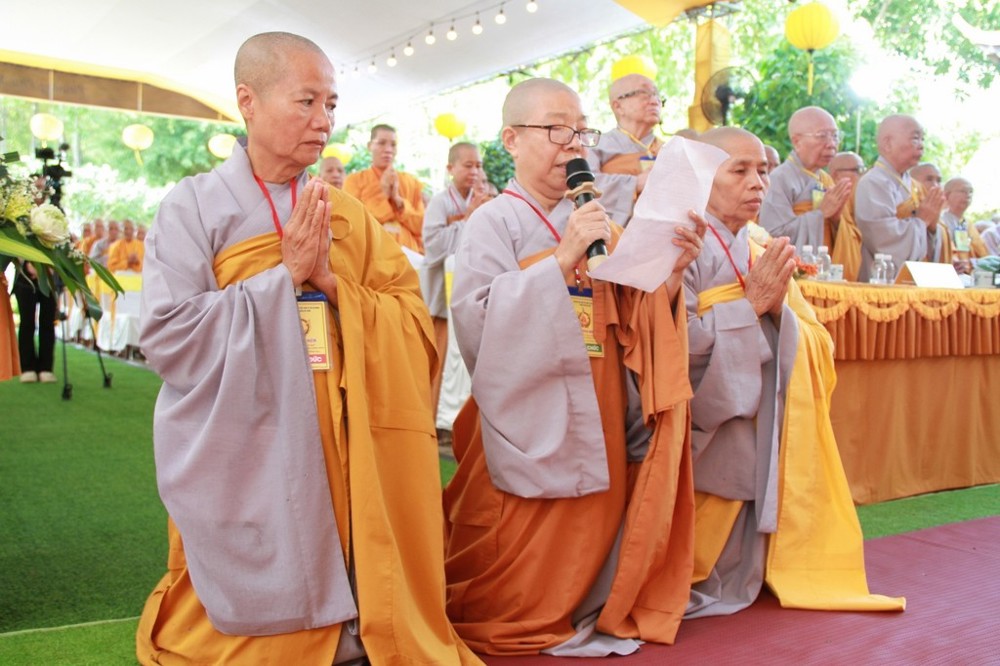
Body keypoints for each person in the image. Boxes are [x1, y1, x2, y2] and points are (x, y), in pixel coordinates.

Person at [135, 31, 480, 666]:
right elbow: (167, 334)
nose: (324, 121)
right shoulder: (193, 207)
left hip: (346, 420)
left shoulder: (346, 214)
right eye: (307, 101)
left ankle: (355, 624)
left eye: (331, 104)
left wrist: (333, 286)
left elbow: (410, 315)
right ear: (248, 101)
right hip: (251, 424)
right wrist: (283, 278)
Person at [445, 77, 702, 656]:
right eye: (556, 130)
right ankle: (520, 605)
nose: (573, 145)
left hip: (601, 397)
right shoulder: (493, 221)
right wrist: (561, 259)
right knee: (521, 537)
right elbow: (476, 323)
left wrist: (671, 275)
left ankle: (589, 600)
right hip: (531, 407)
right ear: (512, 139)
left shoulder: (597, 219)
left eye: (581, 132)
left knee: (595, 513)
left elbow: (635, 314)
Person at [683, 126, 905, 619]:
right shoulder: (682, 245)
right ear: (701, 175)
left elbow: (814, 337)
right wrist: (750, 309)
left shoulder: (758, 245)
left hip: (758, 399)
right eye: (739, 171)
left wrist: (776, 313)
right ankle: (698, 566)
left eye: (763, 170)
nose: (757, 182)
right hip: (709, 412)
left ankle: (752, 564)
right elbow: (674, 346)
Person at [420, 142, 490, 431]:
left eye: (478, 166)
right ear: (451, 168)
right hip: (442, 294)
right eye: (467, 165)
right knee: (440, 358)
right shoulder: (439, 202)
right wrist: (469, 219)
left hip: (471, 292)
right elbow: (433, 245)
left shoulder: (485, 197)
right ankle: (434, 423)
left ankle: (464, 422)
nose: (474, 171)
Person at [855, 115, 945, 282]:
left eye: (922, 139)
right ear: (888, 143)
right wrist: (922, 221)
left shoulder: (916, 187)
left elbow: (928, 235)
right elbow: (883, 241)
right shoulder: (873, 182)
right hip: (881, 282)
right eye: (915, 138)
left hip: (916, 282)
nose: (921, 145)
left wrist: (931, 228)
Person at [759, 106, 852, 251]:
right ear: (797, 142)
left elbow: (849, 239)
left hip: (825, 263)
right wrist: (820, 214)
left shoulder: (826, 180)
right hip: (797, 265)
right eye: (822, 136)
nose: (832, 144)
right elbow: (772, 236)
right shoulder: (779, 179)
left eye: (835, 136)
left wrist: (836, 219)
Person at [585, 73, 661, 225]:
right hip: (613, 235)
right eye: (644, 93)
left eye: (656, 95)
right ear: (618, 106)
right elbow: (584, 188)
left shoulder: (670, 150)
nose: (654, 101)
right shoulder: (596, 145)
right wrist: (635, 184)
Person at [343, 124, 426, 252]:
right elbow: (353, 223)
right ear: (370, 146)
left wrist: (398, 202)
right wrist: (384, 194)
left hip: (409, 254)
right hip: (371, 253)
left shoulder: (411, 182)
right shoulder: (354, 181)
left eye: (393, 145)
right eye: (381, 143)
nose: (388, 149)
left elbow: (421, 226)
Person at [12, 175, 58, 384]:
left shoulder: (54, 213)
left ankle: (46, 367)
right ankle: (27, 367)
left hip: (48, 276)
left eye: (43, 187)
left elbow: (61, 244)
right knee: (27, 322)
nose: (39, 192)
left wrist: (46, 266)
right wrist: (27, 262)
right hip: (25, 278)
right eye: (36, 187)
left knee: (48, 322)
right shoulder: (19, 214)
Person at [827, 151, 866, 280]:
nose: (863, 175)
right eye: (858, 170)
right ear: (836, 175)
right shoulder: (827, 198)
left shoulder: (862, 198)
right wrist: (836, 220)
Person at [941, 177, 988, 258]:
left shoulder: (968, 224)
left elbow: (982, 254)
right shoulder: (940, 222)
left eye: (971, 192)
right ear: (947, 195)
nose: (968, 195)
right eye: (963, 191)